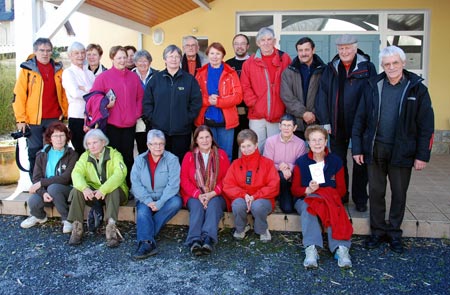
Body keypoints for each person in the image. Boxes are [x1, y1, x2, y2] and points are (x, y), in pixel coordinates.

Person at [352, 46, 434, 254]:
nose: (391, 67)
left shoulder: (417, 89)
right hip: (375, 149)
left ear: (403, 63)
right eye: (387, 64)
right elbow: (360, 118)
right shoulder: (373, 85)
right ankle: (378, 232)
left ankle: (394, 233)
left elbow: (426, 125)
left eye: (395, 63)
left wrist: (422, 155)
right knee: (377, 192)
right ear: (382, 66)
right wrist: (358, 148)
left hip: (402, 151)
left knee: (399, 193)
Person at [315, 34, 377, 211]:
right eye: (341, 48)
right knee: (338, 162)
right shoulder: (331, 68)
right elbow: (322, 95)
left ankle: (360, 199)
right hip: (336, 123)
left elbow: (373, 96)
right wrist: (325, 121)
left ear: (355, 48)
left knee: (360, 162)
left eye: (348, 47)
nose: (344, 51)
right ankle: (342, 195)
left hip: (361, 124)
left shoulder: (367, 67)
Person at [291, 125, 353, 269]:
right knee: (308, 207)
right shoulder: (301, 162)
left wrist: (325, 195)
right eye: (313, 140)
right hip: (305, 198)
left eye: (320, 140)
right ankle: (311, 248)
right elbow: (294, 190)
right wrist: (308, 189)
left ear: (326, 142)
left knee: (333, 206)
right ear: (308, 142)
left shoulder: (336, 161)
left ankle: (341, 248)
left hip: (329, 198)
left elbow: (342, 190)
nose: (317, 143)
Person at [12, 37, 68, 177]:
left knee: (56, 150)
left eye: (48, 50)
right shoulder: (27, 69)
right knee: (35, 152)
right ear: (35, 51)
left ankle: (54, 182)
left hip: (54, 118)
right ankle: (36, 183)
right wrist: (20, 120)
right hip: (33, 120)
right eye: (42, 50)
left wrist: (65, 114)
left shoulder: (58, 69)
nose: (45, 53)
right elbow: (19, 95)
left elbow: (64, 93)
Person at [89, 45, 144, 187]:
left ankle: (128, 185)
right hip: (111, 125)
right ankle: (113, 186)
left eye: (124, 57)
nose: (122, 60)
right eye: (119, 57)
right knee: (112, 157)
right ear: (112, 58)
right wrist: (105, 104)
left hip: (129, 125)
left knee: (128, 157)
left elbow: (140, 98)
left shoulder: (133, 77)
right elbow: (93, 98)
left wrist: (135, 114)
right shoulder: (103, 78)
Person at [67, 129, 129, 248]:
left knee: (113, 189)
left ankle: (111, 229)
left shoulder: (114, 154)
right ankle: (77, 228)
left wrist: (103, 189)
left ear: (103, 142)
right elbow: (76, 173)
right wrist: (85, 188)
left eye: (95, 142)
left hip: (114, 194)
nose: (92, 146)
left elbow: (120, 173)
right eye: (89, 144)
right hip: (94, 194)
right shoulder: (85, 156)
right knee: (77, 190)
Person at [142, 44, 202, 162]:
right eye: (170, 56)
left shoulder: (189, 80)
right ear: (165, 59)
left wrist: (186, 119)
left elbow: (196, 103)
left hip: (182, 131)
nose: (174, 59)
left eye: (176, 56)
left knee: (179, 161)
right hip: (160, 132)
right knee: (160, 161)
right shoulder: (155, 79)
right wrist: (154, 119)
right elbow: (147, 102)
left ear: (180, 59)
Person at [131, 129, 182, 259]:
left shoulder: (172, 159)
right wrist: (147, 200)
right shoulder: (140, 160)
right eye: (154, 144)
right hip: (145, 196)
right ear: (148, 145)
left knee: (176, 202)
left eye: (161, 143)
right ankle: (147, 244)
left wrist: (160, 203)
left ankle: (146, 235)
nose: (158, 147)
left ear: (164, 144)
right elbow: (135, 183)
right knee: (142, 211)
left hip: (165, 197)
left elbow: (173, 185)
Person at [20, 122, 77, 233]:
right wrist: (42, 192)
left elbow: (66, 178)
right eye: (55, 136)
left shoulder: (72, 154)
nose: (59, 139)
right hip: (48, 191)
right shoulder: (41, 154)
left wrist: (41, 183)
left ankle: (68, 219)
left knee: (54, 188)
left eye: (62, 135)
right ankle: (40, 217)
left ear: (66, 137)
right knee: (33, 201)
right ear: (50, 138)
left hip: (66, 189)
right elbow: (36, 178)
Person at [180, 126, 230, 256]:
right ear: (196, 140)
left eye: (207, 137)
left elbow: (227, 179)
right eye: (201, 137)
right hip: (194, 194)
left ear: (212, 138)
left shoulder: (222, 155)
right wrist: (199, 195)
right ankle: (194, 240)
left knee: (213, 205)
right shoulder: (189, 156)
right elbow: (184, 179)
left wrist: (212, 194)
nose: (205, 140)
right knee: (196, 206)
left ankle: (208, 239)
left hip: (217, 194)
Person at [223, 129, 279, 242]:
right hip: (243, 198)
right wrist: (244, 195)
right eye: (243, 146)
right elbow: (228, 185)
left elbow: (274, 185)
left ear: (256, 145)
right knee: (238, 205)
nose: (246, 149)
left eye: (249, 145)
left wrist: (255, 196)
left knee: (257, 206)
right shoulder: (235, 164)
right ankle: (242, 228)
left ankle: (262, 229)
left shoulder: (267, 163)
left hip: (262, 199)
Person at [240, 27, 291, 153]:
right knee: (256, 148)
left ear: (274, 41)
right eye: (263, 40)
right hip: (256, 115)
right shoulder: (249, 63)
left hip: (277, 114)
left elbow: (291, 83)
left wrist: (285, 105)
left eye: (269, 39)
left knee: (275, 150)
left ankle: (273, 173)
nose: (266, 43)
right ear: (258, 43)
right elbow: (245, 86)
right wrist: (254, 104)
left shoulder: (284, 59)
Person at [195, 42, 242, 161]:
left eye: (218, 53)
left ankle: (225, 179)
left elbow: (238, 96)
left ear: (223, 56)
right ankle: (209, 179)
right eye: (212, 53)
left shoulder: (231, 73)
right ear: (207, 55)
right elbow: (194, 96)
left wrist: (219, 102)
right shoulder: (200, 73)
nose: (214, 56)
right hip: (206, 120)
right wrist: (207, 101)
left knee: (226, 155)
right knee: (207, 154)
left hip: (226, 121)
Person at [281, 37, 326, 140]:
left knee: (317, 153)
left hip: (317, 121)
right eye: (300, 50)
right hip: (295, 122)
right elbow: (286, 96)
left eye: (307, 50)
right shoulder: (288, 72)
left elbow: (325, 96)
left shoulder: (324, 71)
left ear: (313, 50)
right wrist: (304, 113)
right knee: (295, 154)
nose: (303, 53)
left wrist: (313, 114)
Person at [263, 114, 307, 213]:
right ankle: (276, 198)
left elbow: (301, 165)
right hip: (275, 178)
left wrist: (289, 167)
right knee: (281, 176)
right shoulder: (270, 141)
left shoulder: (300, 143)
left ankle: (283, 198)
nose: (286, 128)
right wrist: (280, 167)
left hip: (292, 178)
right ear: (279, 126)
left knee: (288, 209)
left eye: (289, 126)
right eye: (284, 125)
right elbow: (267, 164)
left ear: (295, 128)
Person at [62, 41, 95, 156]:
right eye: (76, 53)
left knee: (93, 150)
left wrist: (84, 88)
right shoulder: (68, 73)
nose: (80, 56)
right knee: (80, 150)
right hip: (77, 117)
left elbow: (97, 93)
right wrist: (89, 90)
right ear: (70, 55)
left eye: (82, 53)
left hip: (92, 117)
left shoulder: (90, 73)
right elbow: (75, 93)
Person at [226, 33, 251, 159]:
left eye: (242, 43)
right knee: (233, 146)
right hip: (232, 112)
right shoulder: (227, 65)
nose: (239, 46)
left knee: (249, 144)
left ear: (248, 46)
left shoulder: (254, 63)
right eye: (236, 44)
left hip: (251, 113)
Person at [132, 49, 158, 154]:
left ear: (150, 62)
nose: (142, 63)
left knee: (155, 145)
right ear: (135, 63)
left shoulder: (157, 75)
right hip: (137, 117)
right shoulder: (130, 75)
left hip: (154, 116)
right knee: (141, 146)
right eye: (139, 61)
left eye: (145, 61)